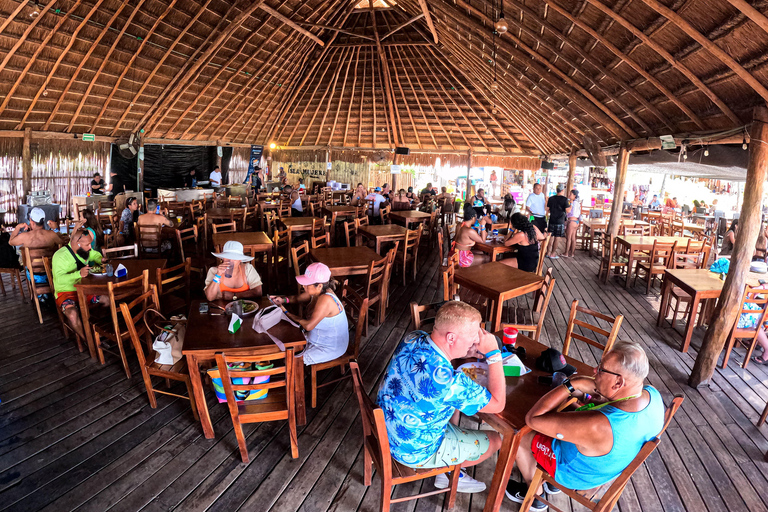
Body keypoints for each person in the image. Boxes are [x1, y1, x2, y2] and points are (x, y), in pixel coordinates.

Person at [505, 341, 665, 510]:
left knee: (520, 433)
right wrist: (604, 397)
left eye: (602, 369)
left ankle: (535, 494)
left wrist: (573, 383)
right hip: (608, 465)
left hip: (576, 474)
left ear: (619, 383)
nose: (595, 371)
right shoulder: (651, 394)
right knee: (563, 414)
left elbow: (533, 419)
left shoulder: (600, 425)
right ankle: (550, 485)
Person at [377, 301, 504, 493]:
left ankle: (451, 458)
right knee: (495, 440)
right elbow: (498, 404)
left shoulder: (414, 337)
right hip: (413, 451)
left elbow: (439, 356)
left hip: (389, 429)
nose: (475, 343)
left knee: (453, 408)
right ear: (451, 338)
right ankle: (450, 474)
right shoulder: (449, 383)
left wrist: (465, 348)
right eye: (472, 338)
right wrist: (494, 355)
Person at [271, 262, 349, 365]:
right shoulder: (318, 292)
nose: (303, 285)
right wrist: (283, 300)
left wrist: (285, 312)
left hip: (330, 347)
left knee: (289, 361)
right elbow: (296, 298)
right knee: (283, 346)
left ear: (319, 286)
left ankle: (297, 379)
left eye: (307, 284)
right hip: (316, 338)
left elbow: (308, 326)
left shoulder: (326, 299)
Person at [51, 228, 108, 340]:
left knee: (107, 300)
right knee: (72, 314)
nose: (90, 247)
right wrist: (78, 274)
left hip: (85, 290)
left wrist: (101, 259)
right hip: (65, 293)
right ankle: (87, 339)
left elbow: (94, 255)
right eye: (87, 244)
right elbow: (59, 280)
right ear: (77, 243)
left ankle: (98, 329)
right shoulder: (60, 256)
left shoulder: (84, 251)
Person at [546, 184, 570, 259]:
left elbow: (547, 210)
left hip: (552, 220)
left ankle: (547, 252)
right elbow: (568, 210)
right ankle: (553, 254)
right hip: (560, 221)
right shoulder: (565, 199)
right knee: (557, 237)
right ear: (562, 190)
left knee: (550, 237)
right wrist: (571, 204)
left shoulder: (551, 198)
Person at [564, 189, 581, 258]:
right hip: (576, 221)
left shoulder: (572, 203)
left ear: (574, 196)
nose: (569, 195)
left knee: (569, 238)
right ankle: (572, 253)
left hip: (571, 221)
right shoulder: (578, 203)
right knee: (573, 238)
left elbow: (569, 212)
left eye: (571, 194)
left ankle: (566, 253)